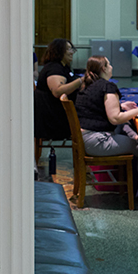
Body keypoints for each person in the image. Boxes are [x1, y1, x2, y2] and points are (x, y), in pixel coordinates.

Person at [73, 56, 138, 206]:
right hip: (97, 141)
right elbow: (115, 118)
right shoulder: (108, 87)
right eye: (109, 64)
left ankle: (133, 136)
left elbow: (96, 109)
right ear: (104, 69)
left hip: (85, 138)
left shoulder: (87, 85)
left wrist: (121, 106)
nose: (112, 67)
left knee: (127, 127)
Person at [34, 39, 83, 177]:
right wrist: (80, 81)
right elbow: (57, 91)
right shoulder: (54, 69)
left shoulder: (63, 67)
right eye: (69, 49)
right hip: (53, 121)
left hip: (53, 116)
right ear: (59, 51)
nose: (72, 52)